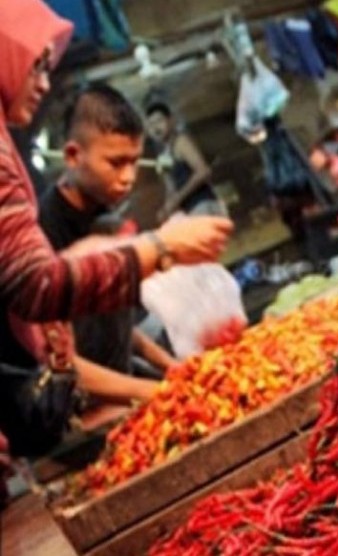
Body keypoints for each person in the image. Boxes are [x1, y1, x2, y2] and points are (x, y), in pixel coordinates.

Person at [0, 0, 232, 460]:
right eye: (37, 64)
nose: (44, 83)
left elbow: (97, 327)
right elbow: (36, 285)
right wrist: (159, 249)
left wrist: (174, 376)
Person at [39, 84, 179, 386]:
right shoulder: (43, 232)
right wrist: (152, 394)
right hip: (81, 409)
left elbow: (112, 324)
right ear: (74, 156)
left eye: (134, 161)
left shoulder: (105, 217)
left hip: (123, 380)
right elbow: (56, 357)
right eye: (116, 163)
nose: (128, 178)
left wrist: (172, 368)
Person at [145, 102, 225, 221]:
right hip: (188, 211)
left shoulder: (181, 141)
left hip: (203, 204)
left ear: (171, 120)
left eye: (159, 121)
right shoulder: (162, 157)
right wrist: (166, 209)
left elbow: (203, 171)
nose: (156, 128)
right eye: (151, 125)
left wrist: (178, 198)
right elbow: (170, 187)